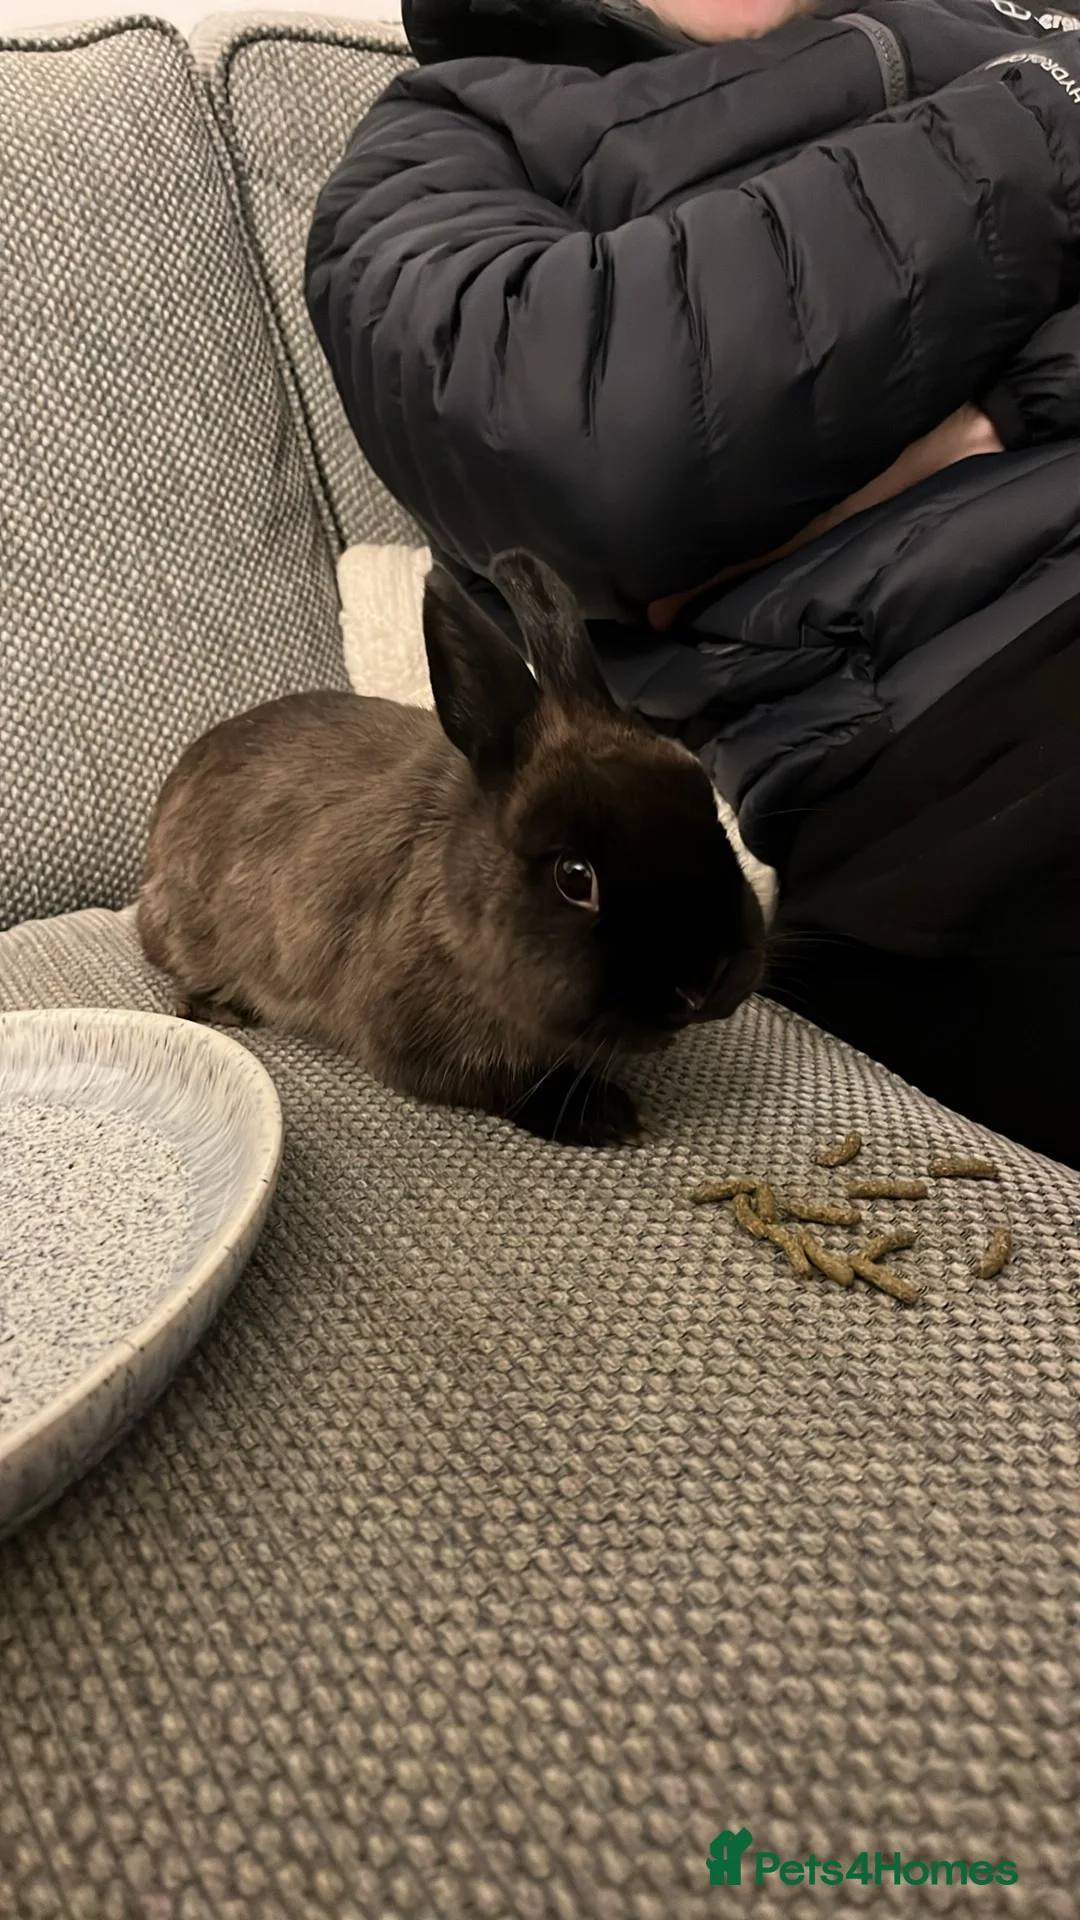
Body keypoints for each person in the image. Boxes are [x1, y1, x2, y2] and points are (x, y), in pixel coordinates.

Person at [306, 0, 1080, 1164]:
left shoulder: (979, 17)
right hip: (971, 713)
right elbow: (585, 440)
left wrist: (998, 408)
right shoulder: (448, 136)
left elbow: (705, 403)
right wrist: (1049, 112)